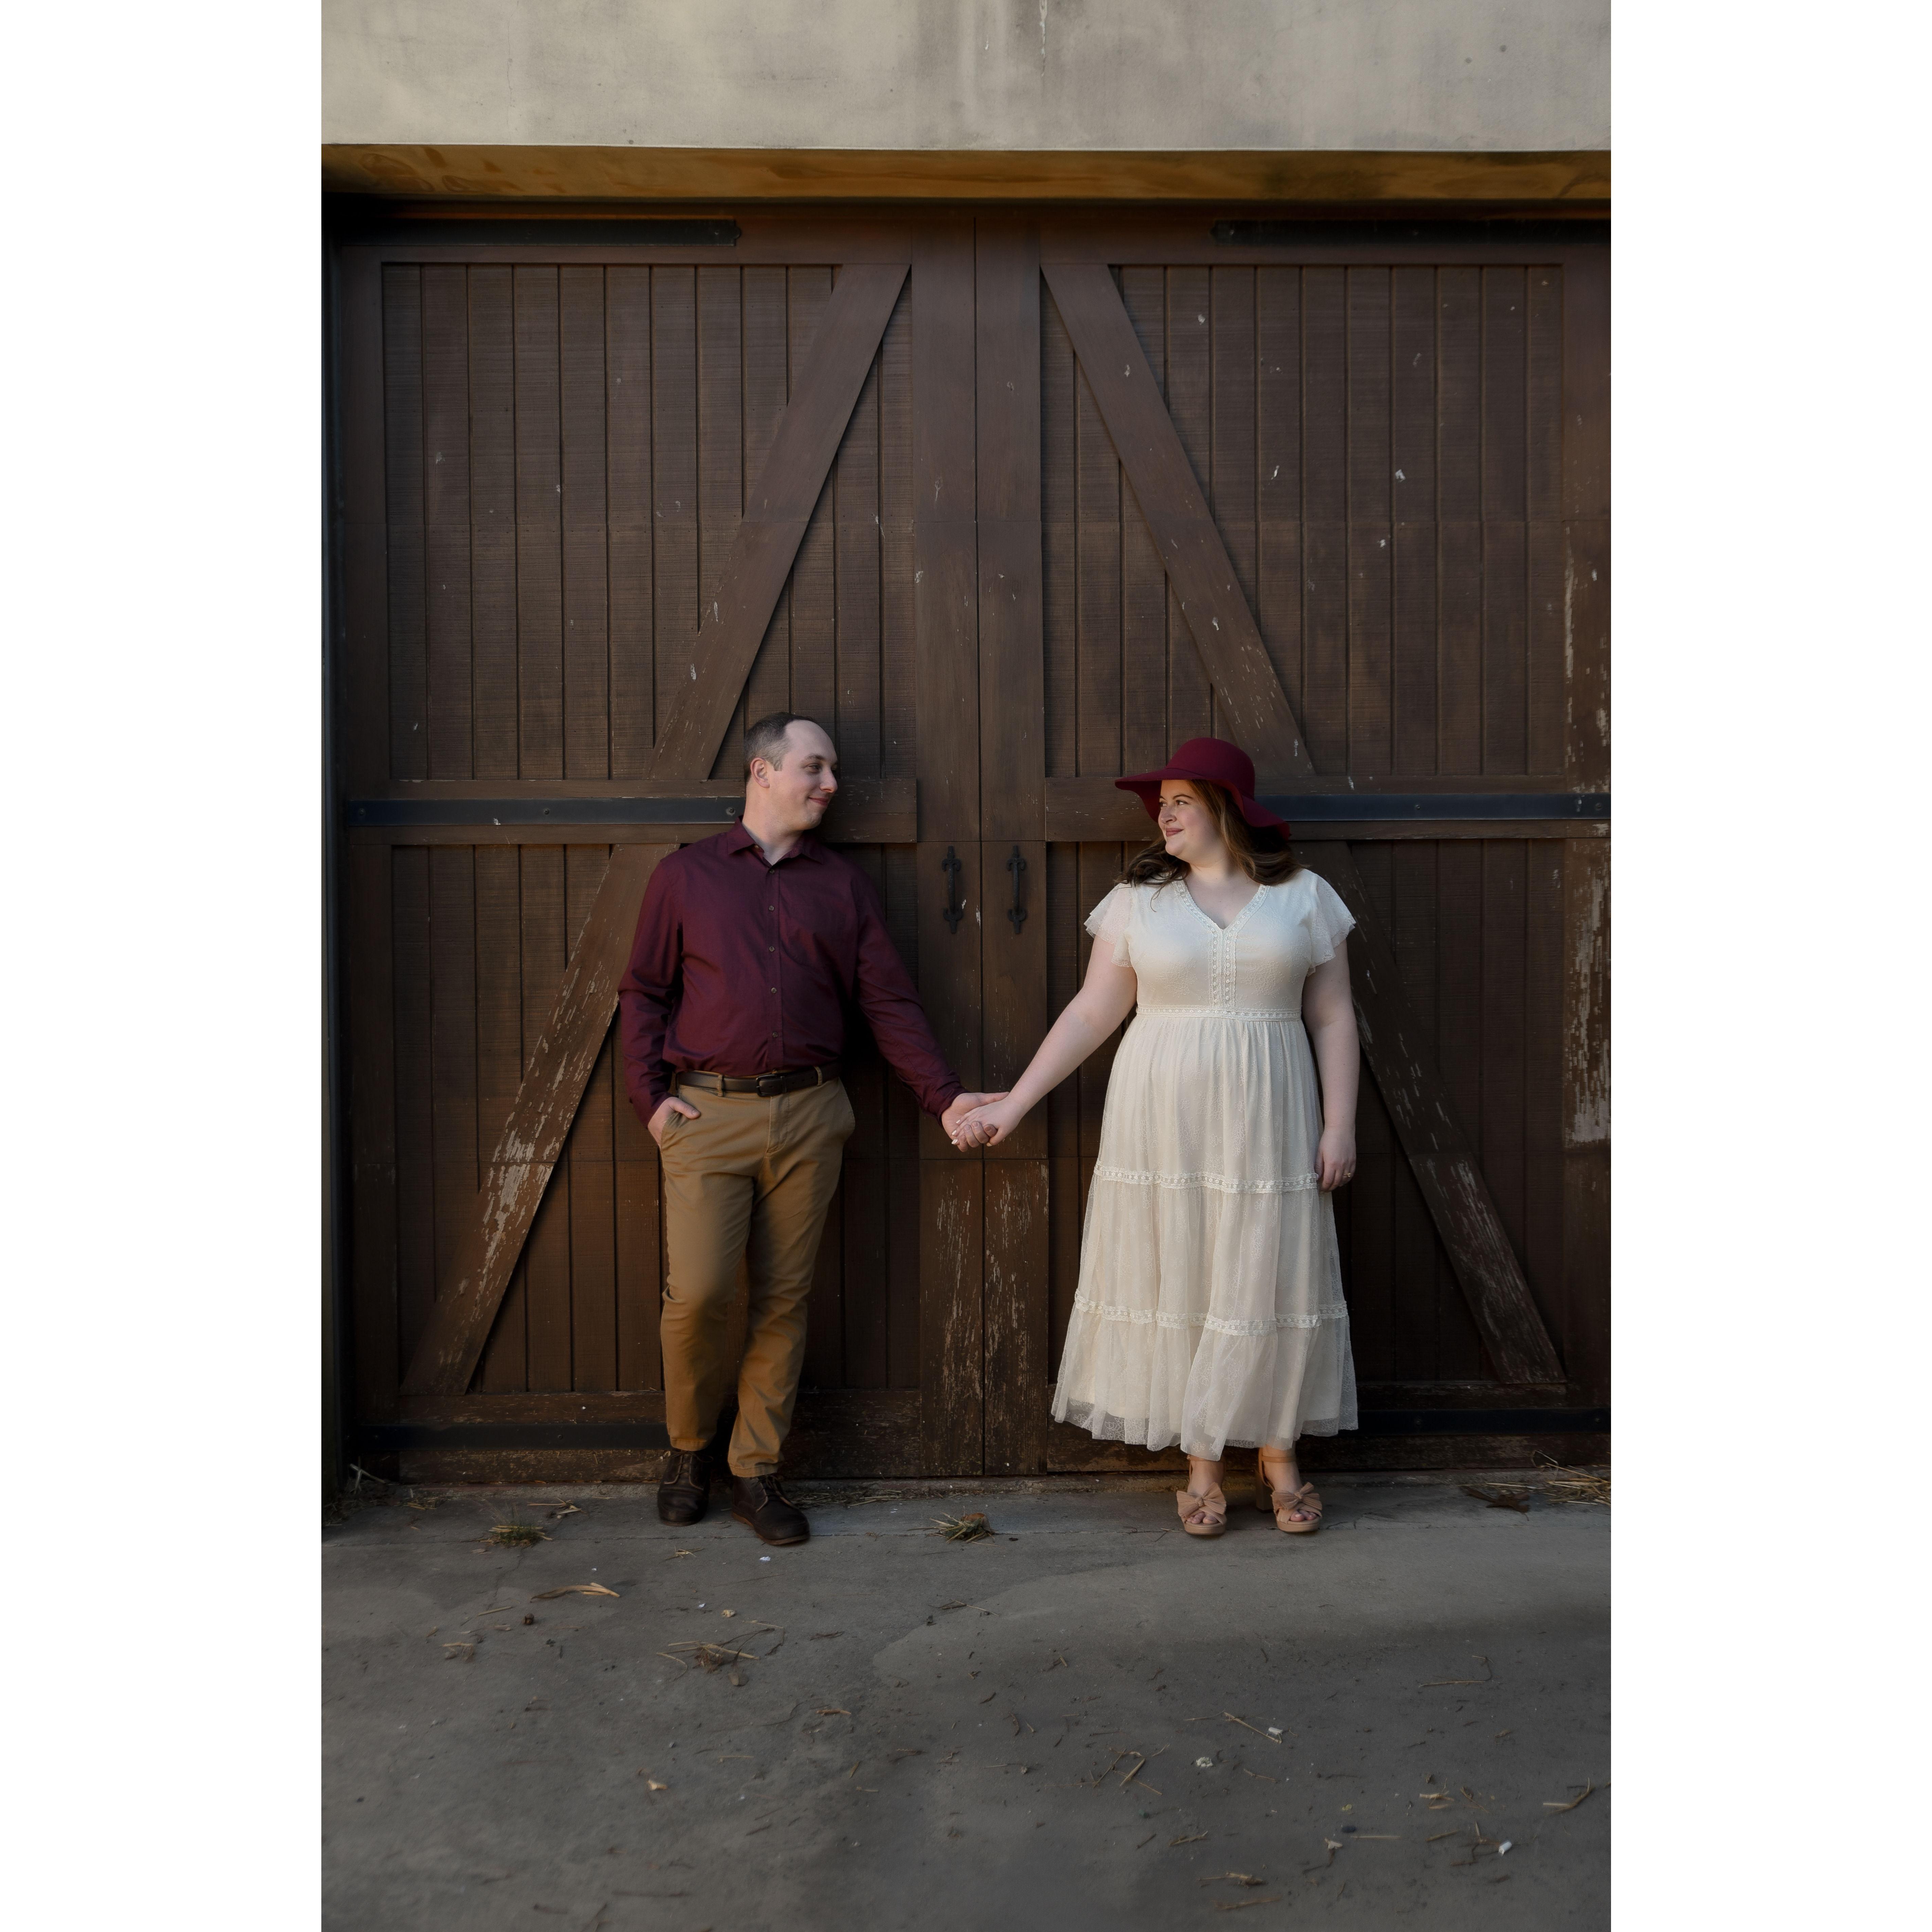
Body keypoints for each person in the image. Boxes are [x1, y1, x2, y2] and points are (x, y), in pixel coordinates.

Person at [955, 738, 1360, 1537]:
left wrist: (1340, 1124)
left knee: (1268, 1272)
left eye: (1181, 801)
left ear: (1227, 808)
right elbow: (1092, 1012)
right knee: (1183, 1268)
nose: (1163, 815)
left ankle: (1279, 1453)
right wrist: (1018, 1103)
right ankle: (1202, 1461)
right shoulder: (1138, 901)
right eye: (1162, 803)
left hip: (1273, 1114)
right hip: (1161, 1119)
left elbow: (1334, 1014)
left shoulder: (1306, 896)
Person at [619, 713, 1005, 1546]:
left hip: (811, 1115)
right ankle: (688, 1452)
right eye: (815, 768)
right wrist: (649, 1098)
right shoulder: (684, 877)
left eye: (832, 772)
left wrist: (944, 1098)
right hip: (706, 1115)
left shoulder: (842, 887)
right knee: (699, 1296)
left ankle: (755, 1471)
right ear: (762, 772)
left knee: (785, 1299)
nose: (831, 785)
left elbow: (888, 1003)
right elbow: (643, 992)